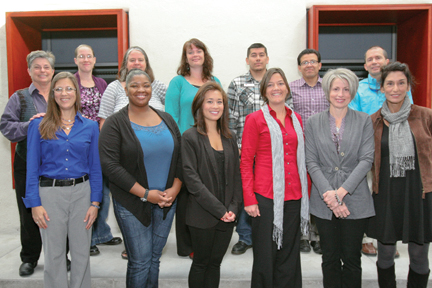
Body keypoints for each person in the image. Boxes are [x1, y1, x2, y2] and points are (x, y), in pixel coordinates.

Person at [99, 69, 182, 287]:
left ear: (151, 87)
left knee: (154, 258)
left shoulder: (167, 119)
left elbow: (182, 157)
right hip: (132, 202)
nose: (141, 89)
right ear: (125, 88)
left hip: (166, 201)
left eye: (145, 84)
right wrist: (146, 194)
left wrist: (174, 189)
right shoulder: (115, 123)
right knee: (140, 261)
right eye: (134, 85)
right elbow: (110, 166)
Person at [23, 72, 103, 288]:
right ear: (52, 94)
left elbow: (95, 167)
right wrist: (34, 204)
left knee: (81, 254)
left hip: (82, 194)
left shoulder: (90, 126)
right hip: (50, 195)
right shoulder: (38, 126)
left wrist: (95, 202)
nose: (64, 93)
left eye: (69, 88)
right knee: (54, 255)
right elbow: (31, 168)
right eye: (58, 89)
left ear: (76, 93)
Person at [305, 68, 375, 288]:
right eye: (336, 88)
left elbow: (366, 159)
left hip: (355, 199)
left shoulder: (364, 120)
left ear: (352, 92)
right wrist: (331, 197)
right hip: (323, 199)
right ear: (327, 91)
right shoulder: (313, 122)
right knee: (330, 259)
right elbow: (311, 162)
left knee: (352, 259)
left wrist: (341, 193)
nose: (340, 94)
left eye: (346, 89)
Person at [241, 68, 309, 287]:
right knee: (265, 254)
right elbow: (245, 162)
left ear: (287, 88)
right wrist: (249, 199)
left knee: (289, 253)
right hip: (265, 197)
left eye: (280, 83)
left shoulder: (296, 118)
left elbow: (302, 158)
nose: (276, 88)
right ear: (264, 91)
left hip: (294, 196)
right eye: (270, 84)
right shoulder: (255, 119)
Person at [98, 46, 167, 259]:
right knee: (132, 204)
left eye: (140, 60)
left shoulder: (158, 87)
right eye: (132, 60)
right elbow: (104, 122)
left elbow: (175, 112)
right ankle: (135, 246)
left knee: (156, 208)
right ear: (125, 65)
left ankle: (150, 248)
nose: (136, 63)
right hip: (127, 161)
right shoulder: (114, 88)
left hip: (158, 163)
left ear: (147, 64)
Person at [368, 62, 431, 288]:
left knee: (419, 257)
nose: (396, 88)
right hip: (386, 196)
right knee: (385, 256)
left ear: (408, 86)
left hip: (419, 196)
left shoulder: (425, 116)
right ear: (382, 88)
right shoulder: (372, 121)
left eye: (401, 83)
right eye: (390, 83)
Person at [348, 46, 411, 256]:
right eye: (370, 59)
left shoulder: (401, 87)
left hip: (395, 149)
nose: (374, 62)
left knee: (390, 194)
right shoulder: (358, 88)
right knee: (366, 192)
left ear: (386, 61)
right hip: (367, 149)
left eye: (378, 58)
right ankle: (366, 239)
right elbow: (354, 118)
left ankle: (388, 238)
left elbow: (408, 115)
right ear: (365, 66)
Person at [182, 82, 242, 288]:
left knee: (215, 264)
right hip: (202, 215)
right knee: (201, 263)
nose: (215, 106)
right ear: (200, 105)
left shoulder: (230, 137)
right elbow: (192, 180)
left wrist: (233, 208)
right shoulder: (190, 137)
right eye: (210, 101)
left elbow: (237, 176)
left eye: (219, 101)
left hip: (228, 216)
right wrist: (219, 210)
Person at [165, 38, 221, 258]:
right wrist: (180, 145)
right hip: (185, 146)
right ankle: (187, 245)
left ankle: (207, 239)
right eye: (191, 52)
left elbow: (219, 111)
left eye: (199, 51)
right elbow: (171, 117)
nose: (195, 54)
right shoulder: (177, 82)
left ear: (205, 55)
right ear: (185, 57)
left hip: (210, 146)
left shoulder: (214, 80)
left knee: (207, 193)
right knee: (187, 196)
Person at [0, 50, 54, 276]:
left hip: (58, 165)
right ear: (29, 71)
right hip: (26, 162)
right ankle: (30, 258)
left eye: (46, 67)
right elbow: (6, 126)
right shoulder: (19, 97)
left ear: (53, 70)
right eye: (37, 67)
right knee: (28, 210)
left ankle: (60, 256)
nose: (42, 70)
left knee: (58, 212)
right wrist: (29, 126)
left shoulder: (63, 94)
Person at [73, 44, 122, 256]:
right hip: (79, 143)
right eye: (81, 56)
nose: (85, 59)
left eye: (89, 56)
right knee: (85, 193)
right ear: (75, 60)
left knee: (102, 190)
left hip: (101, 143)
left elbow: (107, 112)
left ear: (94, 60)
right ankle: (87, 238)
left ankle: (102, 233)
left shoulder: (101, 83)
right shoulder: (70, 82)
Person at [227, 43, 274, 256]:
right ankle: (245, 237)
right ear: (247, 60)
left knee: (267, 194)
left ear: (267, 58)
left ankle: (267, 235)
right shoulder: (237, 83)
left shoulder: (275, 82)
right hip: (243, 148)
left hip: (270, 151)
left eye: (261, 55)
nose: (257, 58)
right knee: (246, 192)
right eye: (253, 55)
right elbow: (231, 117)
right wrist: (234, 146)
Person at [290, 48, 328, 255]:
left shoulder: (329, 87)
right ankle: (303, 235)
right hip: (299, 147)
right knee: (302, 189)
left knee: (322, 189)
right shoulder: (291, 88)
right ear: (299, 67)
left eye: (313, 61)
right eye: (305, 62)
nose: (309, 65)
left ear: (320, 65)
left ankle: (319, 234)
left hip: (325, 146)